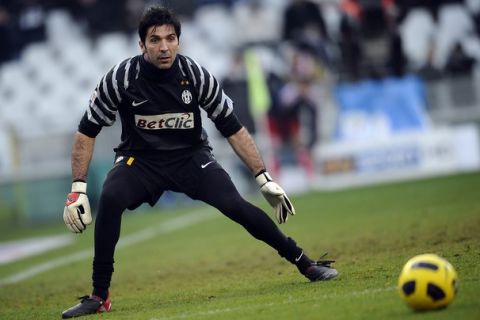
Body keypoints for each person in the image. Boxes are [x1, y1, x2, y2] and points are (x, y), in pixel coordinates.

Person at [61, 6, 338, 319]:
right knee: (110, 198)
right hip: (140, 161)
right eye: (155, 40)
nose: (164, 47)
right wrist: (78, 189)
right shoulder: (120, 78)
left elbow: (231, 127)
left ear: (179, 41)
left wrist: (262, 176)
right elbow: (87, 131)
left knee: (236, 206)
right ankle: (99, 296)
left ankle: (305, 262)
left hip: (190, 158)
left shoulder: (196, 75)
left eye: (170, 38)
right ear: (142, 45)